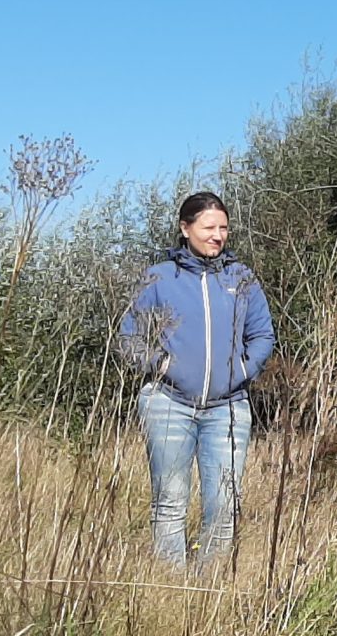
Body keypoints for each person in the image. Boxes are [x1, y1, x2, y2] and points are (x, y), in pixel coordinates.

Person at [116, 192, 276, 565]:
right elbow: (127, 336)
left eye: (223, 228)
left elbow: (263, 335)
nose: (218, 236)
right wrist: (162, 365)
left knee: (223, 503)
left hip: (228, 408)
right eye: (208, 227)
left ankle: (211, 589)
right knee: (170, 501)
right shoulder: (158, 277)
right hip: (168, 403)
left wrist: (241, 371)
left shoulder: (242, 279)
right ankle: (170, 590)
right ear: (185, 228)